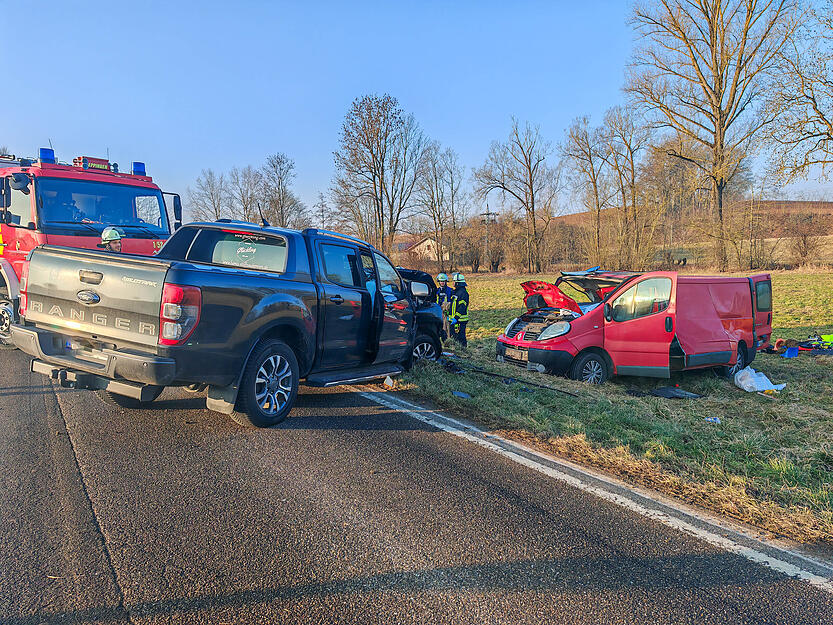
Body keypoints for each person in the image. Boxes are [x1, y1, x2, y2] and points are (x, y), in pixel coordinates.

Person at [448, 272, 469, 348]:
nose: (453, 283)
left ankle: (463, 350)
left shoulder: (463, 293)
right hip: (455, 319)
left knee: (461, 337)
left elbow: (462, 307)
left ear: (458, 283)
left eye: (454, 281)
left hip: (460, 320)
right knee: (454, 336)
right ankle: (457, 349)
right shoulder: (456, 292)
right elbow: (453, 306)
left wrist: (456, 318)